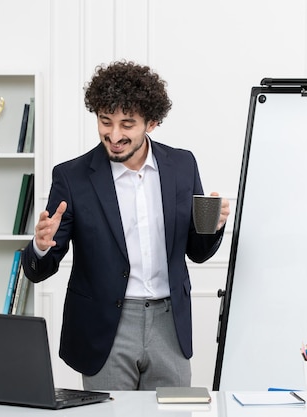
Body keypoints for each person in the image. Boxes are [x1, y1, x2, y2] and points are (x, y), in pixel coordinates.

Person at [21, 60, 230, 391]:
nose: (114, 135)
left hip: (169, 325)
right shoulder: (72, 177)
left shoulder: (182, 165)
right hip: (106, 328)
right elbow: (38, 270)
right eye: (105, 122)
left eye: (127, 124)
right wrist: (41, 246)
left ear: (152, 122)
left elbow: (197, 253)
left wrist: (211, 228)